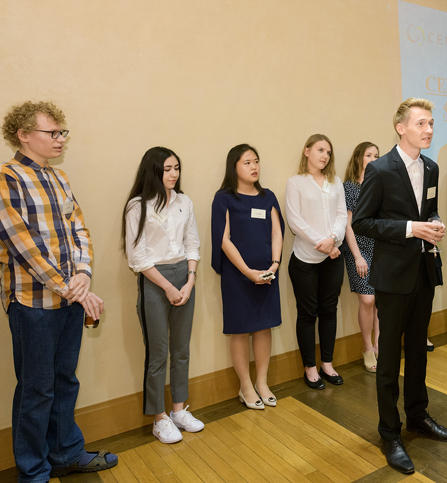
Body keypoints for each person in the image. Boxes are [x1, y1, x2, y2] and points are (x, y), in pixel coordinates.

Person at [0, 101, 117, 480]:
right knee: (37, 389)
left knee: (65, 380)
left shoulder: (59, 178)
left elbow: (79, 229)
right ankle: (33, 471)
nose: (60, 139)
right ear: (23, 134)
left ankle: (66, 453)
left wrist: (82, 274)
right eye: (52, 133)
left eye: (61, 132)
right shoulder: (7, 179)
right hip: (31, 304)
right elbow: (23, 245)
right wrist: (73, 289)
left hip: (69, 299)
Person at [353, 98, 447, 475]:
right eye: (421, 124)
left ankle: (418, 416)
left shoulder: (431, 167)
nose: (429, 130)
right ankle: (389, 432)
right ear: (401, 128)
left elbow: (428, 210)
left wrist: (435, 222)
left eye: (431, 124)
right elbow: (362, 223)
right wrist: (411, 229)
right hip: (393, 276)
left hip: (424, 272)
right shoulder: (379, 169)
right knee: (388, 359)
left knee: (418, 350)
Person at [122, 146, 204, 444]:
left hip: (184, 276)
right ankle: (159, 417)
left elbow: (192, 243)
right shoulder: (137, 206)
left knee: (181, 349)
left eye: (176, 168)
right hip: (154, 280)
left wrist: (190, 280)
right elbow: (137, 257)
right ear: (153, 171)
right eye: (167, 169)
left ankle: (179, 409)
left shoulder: (184, 202)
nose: (173, 174)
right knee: (157, 352)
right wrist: (167, 287)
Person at [211, 144, 284, 409]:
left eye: (256, 161)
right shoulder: (224, 198)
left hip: (267, 273)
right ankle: (245, 386)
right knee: (240, 330)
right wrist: (247, 272)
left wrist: (274, 265)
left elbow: (277, 232)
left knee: (264, 327)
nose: (254, 167)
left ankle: (262, 382)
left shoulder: (267, 196)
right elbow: (224, 239)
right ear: (234, 167)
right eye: (247, 162)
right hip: (238, 276)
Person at [286, 134, 347, 389]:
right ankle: (310, 367)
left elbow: (342, 215)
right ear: (307, 151)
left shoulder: (335, 182)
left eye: (328, 152)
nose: (325, 156)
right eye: (320, 150)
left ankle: (327, 364)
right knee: (307, 313)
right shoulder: (295, 183)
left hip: (333, 257)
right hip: (305, 260)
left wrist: (332, 240)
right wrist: (321, 243)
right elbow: (294, 220)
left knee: (329, 311)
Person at [341, 141, 380, 372]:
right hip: (358, 248)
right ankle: (367, 347)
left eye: (376, 156)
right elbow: (347, 225)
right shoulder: (349, 187)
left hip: (380, 248)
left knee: (380, 300)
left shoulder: (380, 185)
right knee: (367, 300)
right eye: (369, 155)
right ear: (359, 158)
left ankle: (378, 345)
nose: (373, 159)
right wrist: (357, 256)